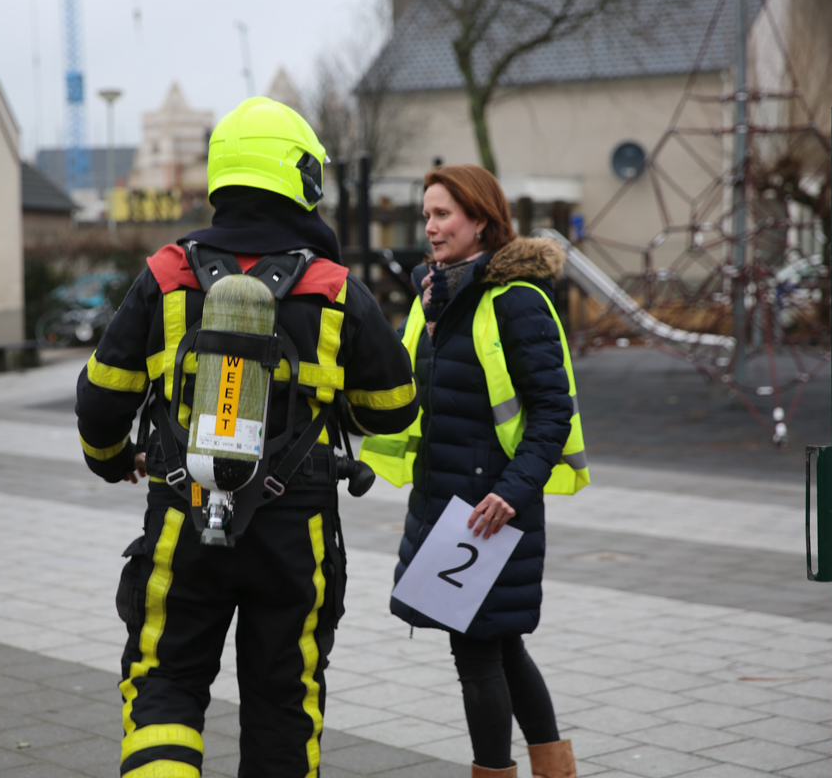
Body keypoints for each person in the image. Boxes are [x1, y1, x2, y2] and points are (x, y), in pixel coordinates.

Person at [75, 96, 419, 778]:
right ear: (302, 178)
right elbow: (394, 409)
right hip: (295, 530)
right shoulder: (335, 290)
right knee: (283, 704)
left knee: (165, 683)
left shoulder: (166, 275)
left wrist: (112, 459)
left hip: (183, 513)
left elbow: (101, 397)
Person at [360, 165, 588, 778]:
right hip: (444, 504)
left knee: (478, 653)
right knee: (501, 647)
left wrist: (511, 493)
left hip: (492, 511)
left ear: (481, 220)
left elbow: (552, 412)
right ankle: (555, 769)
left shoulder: (518, 301)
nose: (430, 227)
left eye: (443, 214)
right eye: (426, 215)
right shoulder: (433, 297)